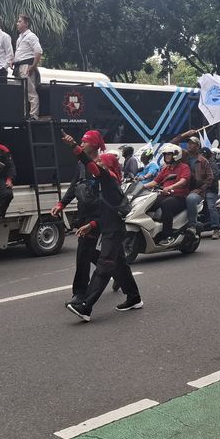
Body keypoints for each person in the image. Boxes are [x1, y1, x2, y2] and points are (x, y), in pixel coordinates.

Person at [61, 135, 142, 322]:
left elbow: (89, 164)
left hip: (113, 231)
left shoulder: (108, 180)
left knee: (104, 266)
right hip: (108, 227)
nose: (97, 165)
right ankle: (134, 298)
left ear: (107, 167)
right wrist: (91, 225)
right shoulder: (105, 185)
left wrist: (73, 145)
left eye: (101, 163)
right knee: (120, 265)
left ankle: (85, 307)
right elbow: (105, 213)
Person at [52, 130, 112, 302]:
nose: (82, 144)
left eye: (85, 142)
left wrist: (94, 222)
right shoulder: (81, 165)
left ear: (93, 145)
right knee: (98, 253)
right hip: (85, 213)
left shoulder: (101, 164)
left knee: (84, 253)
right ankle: (120, 276)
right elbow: (74, 186)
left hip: (100, 213)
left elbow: (107, 193)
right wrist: (61, 203)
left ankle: (79, 293)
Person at [143, 144, 191, 245]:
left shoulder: (184, 167)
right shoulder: (166, 169)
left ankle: (168, 235)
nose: (167, 157)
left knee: (166, 205)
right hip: (165, 195)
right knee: (147, 203)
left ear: (176, 155)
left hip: (179, 197)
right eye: (165, 155)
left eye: (169, 154)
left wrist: (171, 187)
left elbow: (183, 181)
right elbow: (155, 182)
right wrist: (141, 186)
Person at [179, 136, 214, 234]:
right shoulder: (183, 157)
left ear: (198, 146)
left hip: (197, 191)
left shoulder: (203, 161)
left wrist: (200, 190)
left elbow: (210, 178)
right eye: (188, 143)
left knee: (191, 199)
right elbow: (171, 144)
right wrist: (185, 134)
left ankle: (192, 225)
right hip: (181, 188)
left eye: (192, 143)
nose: (189, 145)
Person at [13, 14, 44, 120]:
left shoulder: (31, 36)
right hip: (19, 66)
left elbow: (38, 51)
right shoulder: (19, 38)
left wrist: (33, 66)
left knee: (30, 92)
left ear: (26, 24)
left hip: (27, 65)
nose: (17, 23)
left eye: (19, 21)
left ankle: (34, 115)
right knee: (21, 92)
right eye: (17, 21)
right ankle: (24, 114)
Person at [199, 147, 220, 239]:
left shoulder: (211, 164)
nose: (201, 156)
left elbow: (213, 177)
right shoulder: (197, 163)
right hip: (200, 189)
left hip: (210, 189)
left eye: (202, 154)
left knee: (211, 207)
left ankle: (216, 229)